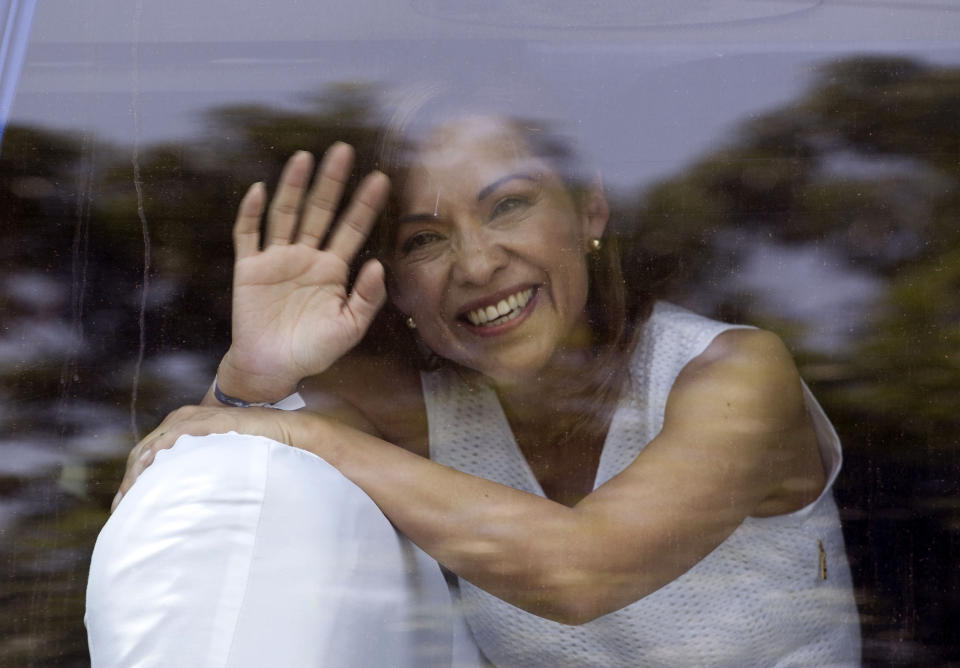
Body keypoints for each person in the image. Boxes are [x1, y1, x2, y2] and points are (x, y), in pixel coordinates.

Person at [92, 94, 861, 666]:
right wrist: (251, 379)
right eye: (425, 240)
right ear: (397, 286)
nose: (477, 263)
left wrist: (296, 426)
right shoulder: (407, 414)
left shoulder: (732, 372)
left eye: (510, 206)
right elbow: (240, 470)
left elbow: (581, 571)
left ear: (589, 206)